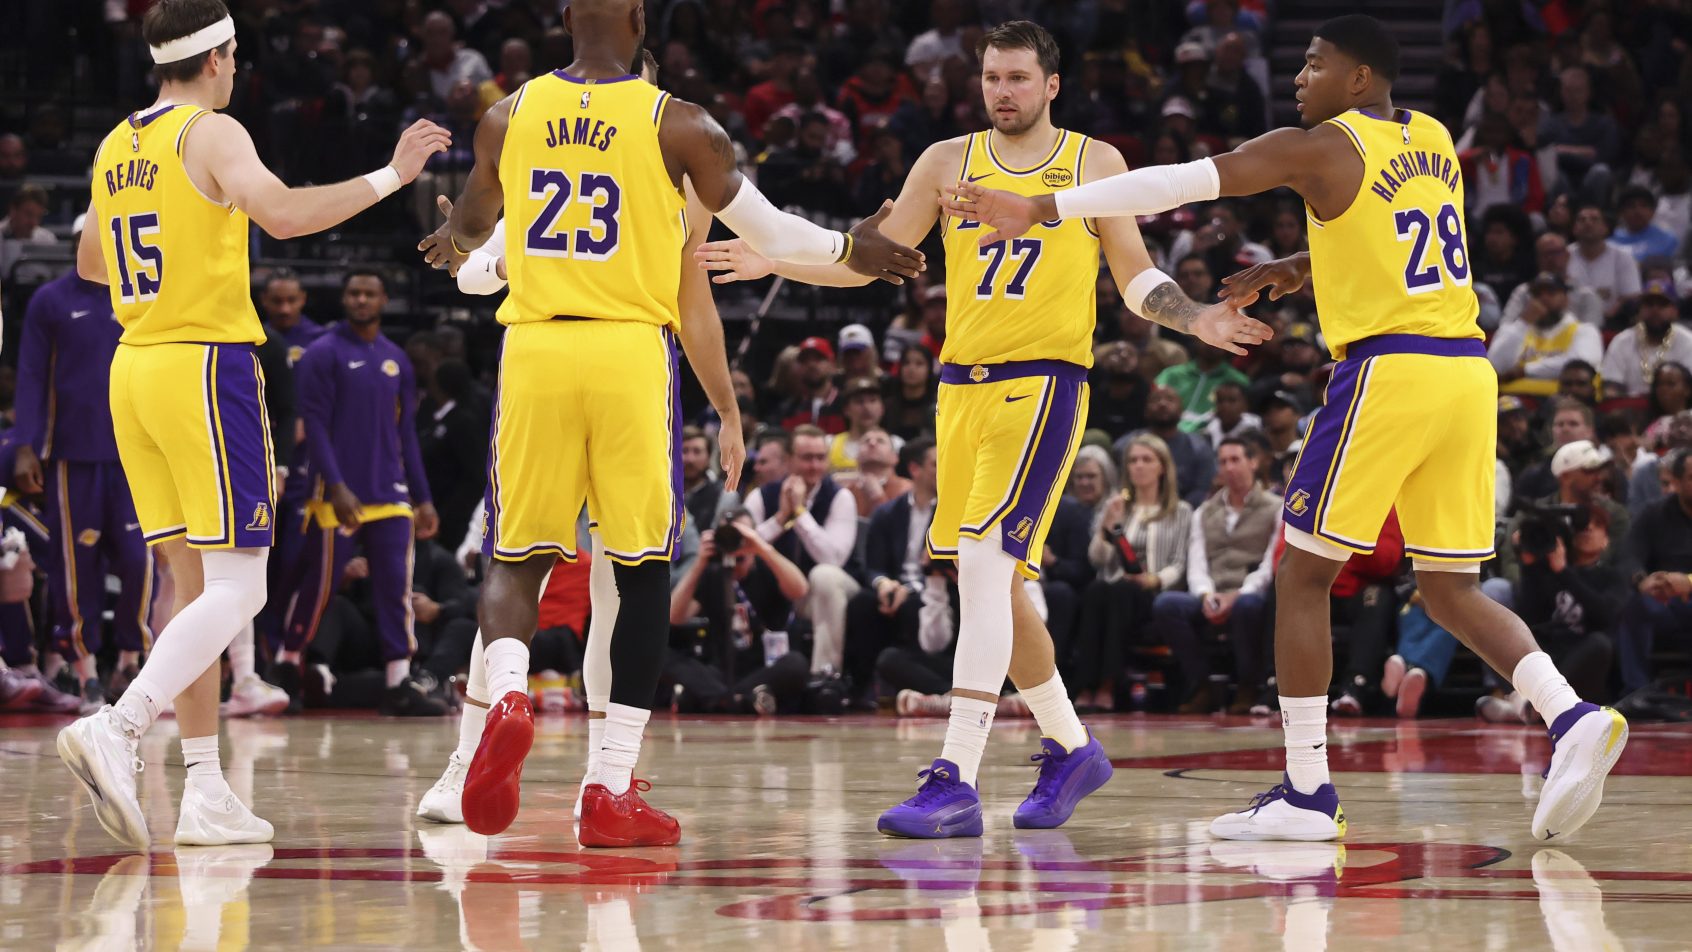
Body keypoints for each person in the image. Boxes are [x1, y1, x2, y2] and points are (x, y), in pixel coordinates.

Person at [948, 13, 1630, 842]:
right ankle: (1570, 715)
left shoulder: (1320, 145)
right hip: (1463, 370)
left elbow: (1178, 183)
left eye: (1314, 65)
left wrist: (1043, 204)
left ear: (1357, 79)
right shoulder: (1435, 138)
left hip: (1387, 372)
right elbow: (1404, 239)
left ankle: (1308, 791)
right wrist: (1301, 265)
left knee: (1302, 575)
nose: (1299, 78)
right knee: (1449, 587)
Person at [699, 19, 1266, 838]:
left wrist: (1197, 319)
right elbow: (876, 257)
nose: (1002, 91)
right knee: (991, 584)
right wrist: (776, 258)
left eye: (1017, 78)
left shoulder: (1091, 164)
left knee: (981, 565)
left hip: (1043, 385)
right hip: (960, 389)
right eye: (992, 77)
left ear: (1051, 85)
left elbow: (1136, 276)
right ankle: (1071, 748)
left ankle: (954, 774)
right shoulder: (945, 161)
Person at [427, 0, 918, 847]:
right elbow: (767, 229)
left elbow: (473, 224)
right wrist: (856, 251)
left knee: (517, 553)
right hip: (626, 352)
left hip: (536, 350)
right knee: (645, 565)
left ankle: (508, 690)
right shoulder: (680, 124)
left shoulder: (509, 113)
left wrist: (451, 234)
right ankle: (609, 787)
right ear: (638, 17)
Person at [57, 0, 449, 852]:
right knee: (245, 586)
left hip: (135, 368)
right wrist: (391, 176)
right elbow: (283, 215)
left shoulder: (117, 143)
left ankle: (205, 789)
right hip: (204, 364)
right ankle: (118, 725)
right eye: (235, 55)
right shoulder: (213, 131)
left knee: (189, 590)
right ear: (218, 58)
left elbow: (90, 262)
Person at [276, 269, 445, 716]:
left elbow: (406, 431)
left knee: (395, 586)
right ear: (344, 299)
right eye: (354, 293)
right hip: (338, 494)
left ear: (384, 299)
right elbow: (311, 424)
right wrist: (336, 486)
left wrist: (424, 496)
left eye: (370, 293)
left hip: (390, 492)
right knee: (320, 586)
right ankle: (288, 665)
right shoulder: (322, 354)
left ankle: (397, 680)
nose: (361, 300)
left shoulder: (397, 360)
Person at [13, 215, 158, 711]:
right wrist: (28, 445)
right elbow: (31, 377)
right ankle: (85, 669)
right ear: (78, 241)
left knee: (141, 560)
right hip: (73, 455)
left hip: (136, 454)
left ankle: (130, 658)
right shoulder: (51, 301)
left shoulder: (140, 296)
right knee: (78, 567)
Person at [1148, 437, 1277, 714]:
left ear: (1252, 462)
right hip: (1213, 591)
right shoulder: (1205, 511)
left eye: (1235, 459)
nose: (1228, 467)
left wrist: (1239, 594)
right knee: (1167, 605)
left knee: (1248, 606)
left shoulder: (1275, 507)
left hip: (1251, 593)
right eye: (1223, 461)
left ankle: (1248, 686)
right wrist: (1206, 595)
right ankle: (1202, 684)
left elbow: (1270, 564)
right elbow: (1197, 564)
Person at [1072, 435, 1192, 712]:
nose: (1138, 466)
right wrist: (1107, 525)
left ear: (1162, 467)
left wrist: (1154, 578)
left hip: (1153, 593)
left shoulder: (1180, 511)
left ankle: (1108, 685)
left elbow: (1179, 562)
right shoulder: (1117, 508)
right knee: (1097, 590)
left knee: (1120, 593)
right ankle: (1085, 684)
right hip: (1115, 589)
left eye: (1146, 460)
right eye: (1133, 460)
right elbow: (1098, 559)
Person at [843, 437, 938, 703]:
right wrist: (883, 583)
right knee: (862, 603)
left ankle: (910, 684)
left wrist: (908, 590)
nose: (945, 471)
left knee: (914, 605)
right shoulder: (887, 512)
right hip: (893, 587)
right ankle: (860, 689)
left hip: (930, 589)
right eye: (936, 465)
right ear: (915, 469)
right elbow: (872, 566)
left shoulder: (953, 511)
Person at [1615, 446, 1692, 695]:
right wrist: (1642, 581)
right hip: (1665, 602)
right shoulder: (1653, 514)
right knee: (1635, 607)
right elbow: (1629, 555)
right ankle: (1638, 694)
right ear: (1677, 482)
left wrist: (1688, 582)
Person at [1487, 273, 1603, 397]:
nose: (1544, 298)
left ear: (1565, 299)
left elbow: (1581, 364)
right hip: (1512, 402)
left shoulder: (1584, 331)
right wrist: (1524, 323)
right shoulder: (1513, 330)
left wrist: (1524, 371)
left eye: (1551, 293)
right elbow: (1494, 367)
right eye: (1537, 294)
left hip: (1565, 400)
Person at [1128, 385, 1218, 508]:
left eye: (1170, 400)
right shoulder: (1128, 446)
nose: (1162, 404)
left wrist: (1174, 513)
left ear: (1181, 411)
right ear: (1146, 411)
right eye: (1156, 400)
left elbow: (1202, 490)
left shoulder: (1199, 448)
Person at [1599, 279, 1692, 399]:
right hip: (1630, 411)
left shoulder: (1687, 341)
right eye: (1649, 304)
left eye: (1662, 305)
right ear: (1639, 311)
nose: (1655, 310)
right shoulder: (1622, 342)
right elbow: (1610, 386)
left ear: (1675, 311)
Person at [1566, 203, 1641, 323]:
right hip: (1570, 324)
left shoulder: (1623, 257)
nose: (1588, 223)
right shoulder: (1564, 255)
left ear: (1605, 228)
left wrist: (1605, 318)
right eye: (1582, 220)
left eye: (1594, 219)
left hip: (1610, 323)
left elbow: (1631, 296)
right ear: (1574, 228)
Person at [258, 268, 326, 367]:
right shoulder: (254, 340)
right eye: (276, 301)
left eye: (292, 300)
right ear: (264, 299)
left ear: (303, 298)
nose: (284, 310)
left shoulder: (320, 339)